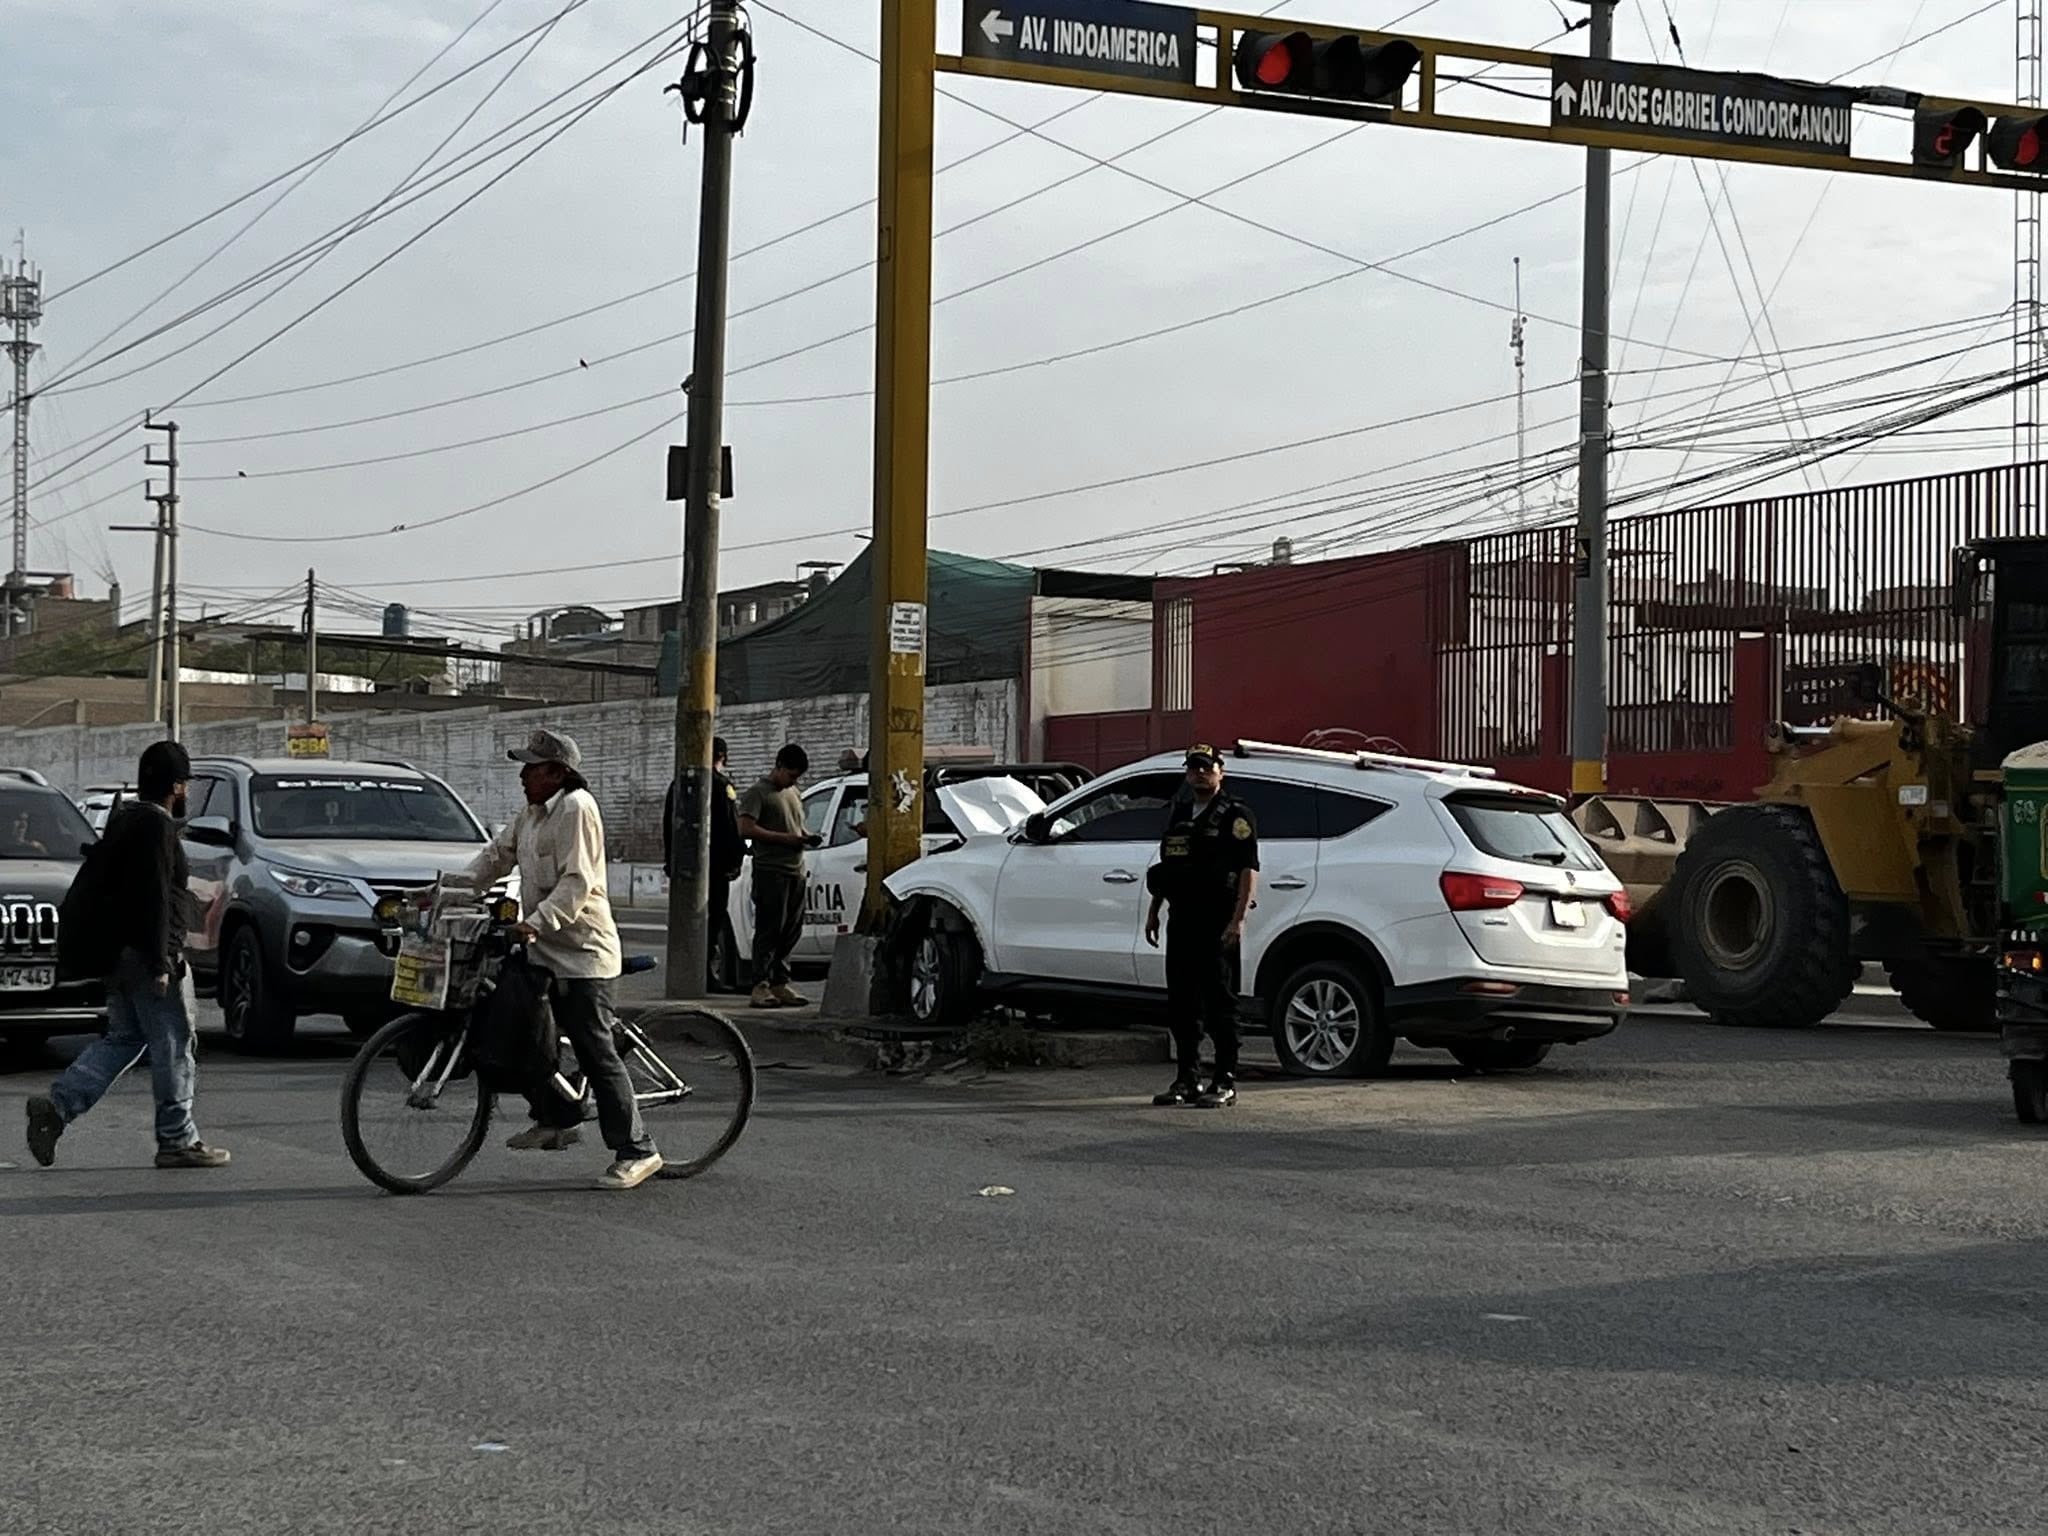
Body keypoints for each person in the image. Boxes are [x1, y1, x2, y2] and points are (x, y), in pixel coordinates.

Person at [465, 727, 662, 1191]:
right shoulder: (531, 814)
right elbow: (496, 857)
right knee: (523, 1034)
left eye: (532, 768)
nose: (523, 776)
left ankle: (638, 1149)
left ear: (558, 772)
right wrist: (447, 891)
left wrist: (535, 922)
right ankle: (555, 1118)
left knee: (595, 1051)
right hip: (542, 950)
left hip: (582, 955)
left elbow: (577, 882)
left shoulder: (577, 808)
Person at [25, 741, 230, 1170]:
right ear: (176, 786)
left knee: (126, 1037)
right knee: (174, 1045)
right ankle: (177, 1140)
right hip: (147, 955)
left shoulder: (126, 821)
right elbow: (154, 897)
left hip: (120, 954)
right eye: (185, 785)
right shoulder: (156, 828)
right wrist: (161, 961)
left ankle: (58, 1106)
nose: (187, 792)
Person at [1145, 745, 1260, 1109]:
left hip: (1217, 920)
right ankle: (1187, 1079)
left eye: (1206, 767)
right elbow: (1169, 867)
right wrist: (1154, 910)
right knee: (1182, 1002)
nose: (1199, 774)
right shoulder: (1180, 812)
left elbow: (1248, 869)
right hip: (1182, 918)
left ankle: (1224, 1080)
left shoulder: (1235, 815)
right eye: (1193, 768)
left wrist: (1238, 920)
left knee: (1220, 1001)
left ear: (1221, 771)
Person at [739, 743, 820, 1009]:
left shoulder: (793, 793)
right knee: (769, 929)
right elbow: (746, 828)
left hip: (796, 870)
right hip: (770, 870)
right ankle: (760, 984)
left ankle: (779, 982)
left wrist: (805, 837)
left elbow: (796, 826)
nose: (793, 781)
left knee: (790, 930)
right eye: (791, 775)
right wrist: (785, 839)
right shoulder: (758, 793)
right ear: (779, 766)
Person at [662, 738, 746, 993]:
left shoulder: (678, 783)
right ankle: (706, 975)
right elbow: (731, 826)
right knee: (712, 920)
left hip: (684, 867)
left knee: (687, 922)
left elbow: (668, 824)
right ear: (723, 756)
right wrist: (736, 860)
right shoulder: (721, 785)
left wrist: (670, 861)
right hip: (717, 867)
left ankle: (688, 974)